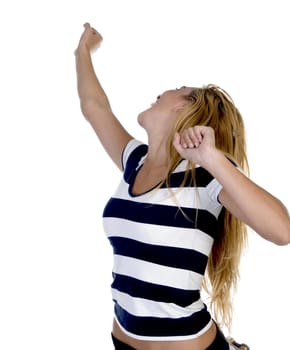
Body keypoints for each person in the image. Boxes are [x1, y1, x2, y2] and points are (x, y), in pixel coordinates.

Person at [75, 23, 290, 350]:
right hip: (122, 339)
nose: (163, 91)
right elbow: (95, 107)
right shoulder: (135, 161)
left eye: (177, 88)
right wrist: (82, 52)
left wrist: (213, 158)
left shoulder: (203, 172)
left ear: (186, 108)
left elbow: (281, 231)